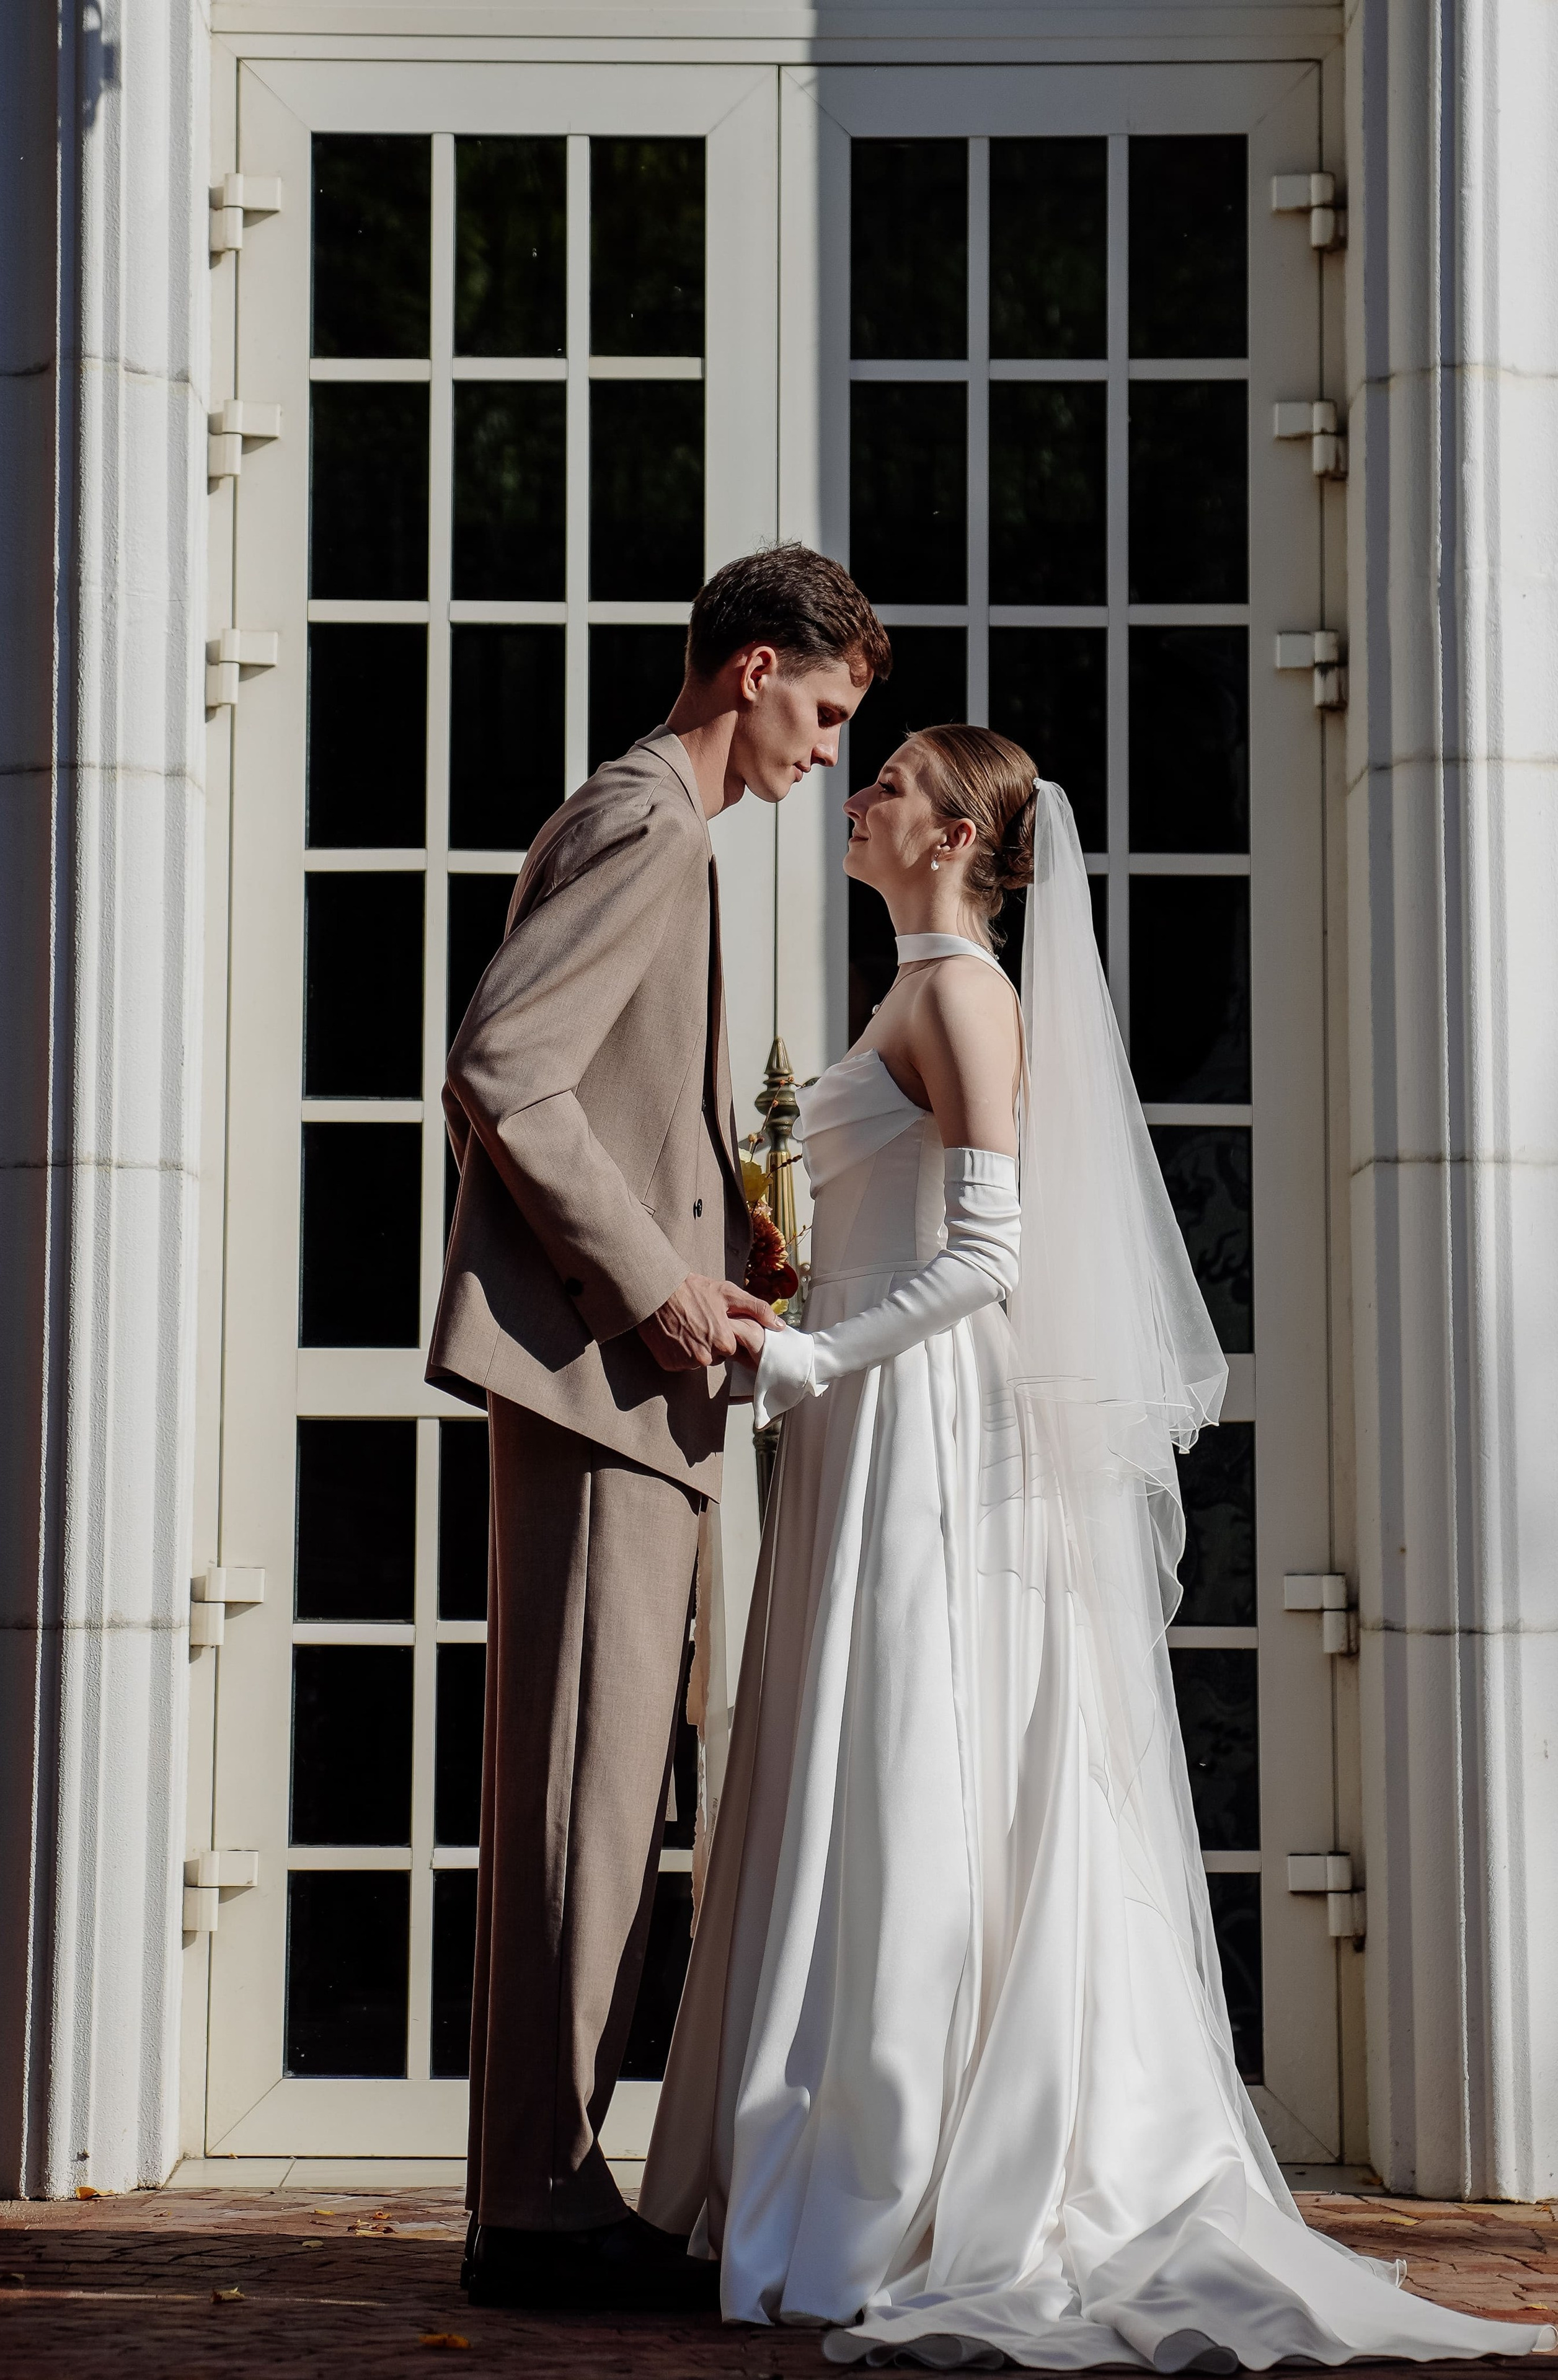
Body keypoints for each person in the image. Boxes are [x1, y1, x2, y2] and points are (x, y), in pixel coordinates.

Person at [640, 727, 1558, 2371]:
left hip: (925, 1436)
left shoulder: (965, 996)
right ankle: (845, 2149)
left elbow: (993, 1257)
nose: (862, 794)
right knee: (867, 1763)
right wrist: (799, 1304)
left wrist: (814, 1357)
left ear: (960, 838)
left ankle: (902, 2175)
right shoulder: (919, 985)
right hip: (874, 1418)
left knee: (922, 1761)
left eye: (898, 782)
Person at [427, 544, 891, 2313]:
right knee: (580, 1799)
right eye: (828, 713)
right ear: (755, 666)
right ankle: (538, 2211)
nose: (829, 757)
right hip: (600, 1379)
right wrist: (657, 1291)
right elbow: (503, 1063)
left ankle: (536, 2189)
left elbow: (579, 1086)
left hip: (616, 1370)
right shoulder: (651, 821)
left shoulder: (638, 819)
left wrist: (720, 1233)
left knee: (598, 1794)